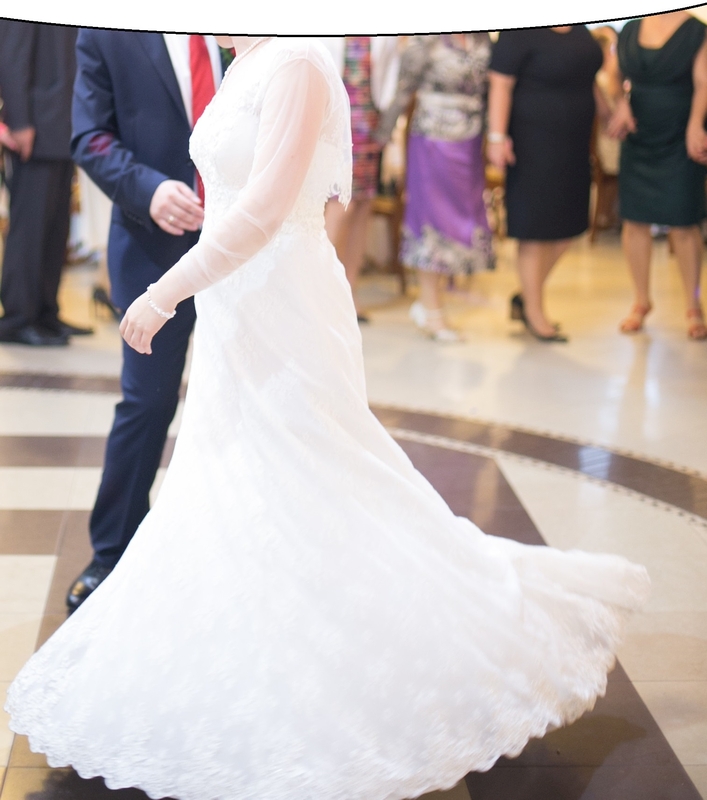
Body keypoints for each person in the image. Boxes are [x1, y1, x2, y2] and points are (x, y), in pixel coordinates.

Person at [6, 37, 650, 800]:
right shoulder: (245, 63)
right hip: (235, 307)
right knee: (231, 478)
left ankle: (359, 654)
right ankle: (244, 647)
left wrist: (164, 293)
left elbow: (264, 211)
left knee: (311, 474)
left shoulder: (297, 64)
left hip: (284, 304)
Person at [65, 30, 224, 611]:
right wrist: (148, 190)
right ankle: (112, 552)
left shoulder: (241, 27)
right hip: (154, 245)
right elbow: (89, 135)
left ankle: (231, 546)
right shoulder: (109, 31)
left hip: (245, 245)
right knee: (148, 401)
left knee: (242, 398)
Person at [487, 26, 605, 342]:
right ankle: (535, 313)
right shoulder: (521, 28)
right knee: (535, 228)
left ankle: (527, 294)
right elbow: (500, 84)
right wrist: (496, 137)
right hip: (532, 142)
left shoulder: (578, 26)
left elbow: (587, 78)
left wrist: (609, 111)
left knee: (569, 227)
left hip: (574, 143)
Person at [377, 34, 495, 342]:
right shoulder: (425, 40)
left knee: (460, 223)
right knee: (433, 221)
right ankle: (432, 309)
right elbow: (403, 91)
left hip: (471, 143)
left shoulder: (482, 38)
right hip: (433, 141)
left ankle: (431, 301)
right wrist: (381, 137)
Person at [607, 11, 707, 340]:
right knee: (634, 220)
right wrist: (620, 103)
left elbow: (703, 83)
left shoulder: (696, 31)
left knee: (684, 222)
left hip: (680, 135)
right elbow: (613, 75)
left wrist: (696, 126)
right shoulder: (631, 27)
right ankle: (641, 301)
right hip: (639, 132)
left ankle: (693, 305)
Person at [0, 20, 93, 346]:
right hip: (35, 124)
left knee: (55, 228)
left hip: (64, 121)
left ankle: (44, 311)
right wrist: (19, 120)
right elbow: (11, 54)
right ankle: (17, 317)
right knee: (31, 226)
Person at [321, 36, 400, 323]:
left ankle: (349, 292)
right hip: (334, 122)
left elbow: (390, 76)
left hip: (370, 123)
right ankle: (318, 291)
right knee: (341, 204)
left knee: (363, 204)